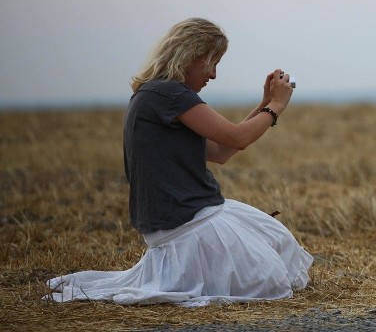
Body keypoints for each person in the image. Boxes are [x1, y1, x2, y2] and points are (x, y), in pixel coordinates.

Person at [47, 17, 313, 306]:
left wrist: (263, 104)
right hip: (186, 226)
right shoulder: (169, 94)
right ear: (190, 55)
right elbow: (237, 139)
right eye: (212, 62)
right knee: (269, 278)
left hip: (189, 218)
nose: (213, 75)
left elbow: (221, 152)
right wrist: (276, 106)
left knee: (278, 244)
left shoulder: (156, 94)